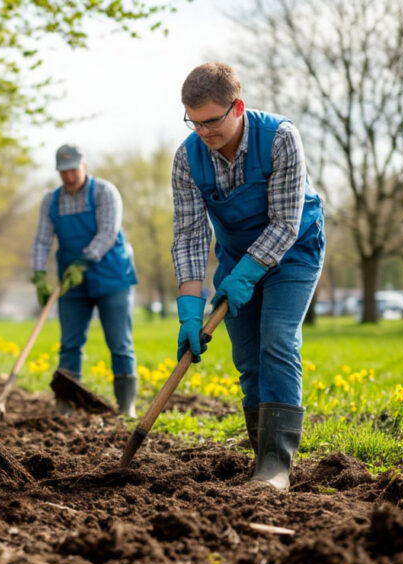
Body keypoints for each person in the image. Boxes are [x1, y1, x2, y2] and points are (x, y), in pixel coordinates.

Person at [170, 63, 325, 490]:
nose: (203, 132)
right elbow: (188, 236)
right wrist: (189, 307)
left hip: (293, 251)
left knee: (276, 337)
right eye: (194, 121)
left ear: (237, 106)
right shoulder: (187, 158)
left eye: (212, 121)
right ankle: (262, 456)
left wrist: (247, 276)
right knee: (247, 356)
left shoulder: (280, 138)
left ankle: (277, 465)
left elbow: (284, 224)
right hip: (236, 258)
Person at [31, 144, 139, 417]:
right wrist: (40, 275)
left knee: (119, 342)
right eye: (63, 171)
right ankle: (66, 405)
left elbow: (108, 233)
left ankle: (126, 407)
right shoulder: (51, 201)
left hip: (112, 276)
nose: (68, 177)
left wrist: (83, 261)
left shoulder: (104, 192)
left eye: (73, 170)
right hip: (72, 283)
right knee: (69, 343)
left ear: (84, 166)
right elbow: (42, 240)